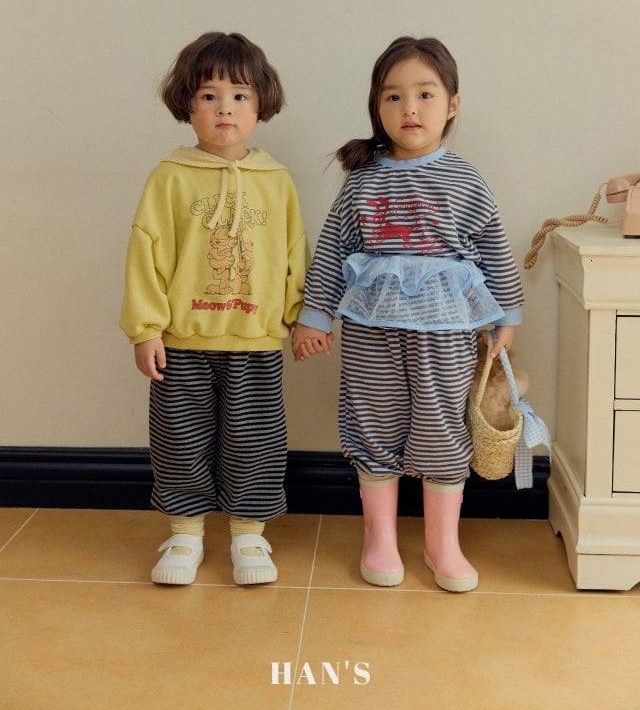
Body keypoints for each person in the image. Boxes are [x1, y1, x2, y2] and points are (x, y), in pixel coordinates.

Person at [292, 36, 523, 592]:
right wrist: (315, 315)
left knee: (442, 427)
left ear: (453, 104)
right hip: (370, 331)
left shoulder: (467, 179)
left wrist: (508, 316)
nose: (409, 108)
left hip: (446, 332)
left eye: (425, 94)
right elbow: (334, 248)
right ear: (377, 106)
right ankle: (380, 538)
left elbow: (494, 248)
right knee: (373, 422)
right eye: (393, 97)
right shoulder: (363, 177)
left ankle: (443, 544)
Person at [120, 31, 311, 586]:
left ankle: (249, 534)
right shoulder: (169, 177)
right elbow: (146, 253)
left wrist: (302, 317)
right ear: (187, 104)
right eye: (209, 95)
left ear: (260, 104)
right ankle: (185, 533)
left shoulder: (276, 181)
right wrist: (145, 329)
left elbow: (295, 252)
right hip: (182, 341)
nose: (225, 108)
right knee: (180, 439)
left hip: (255, 340)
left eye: (239, 95)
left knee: (255, 441)